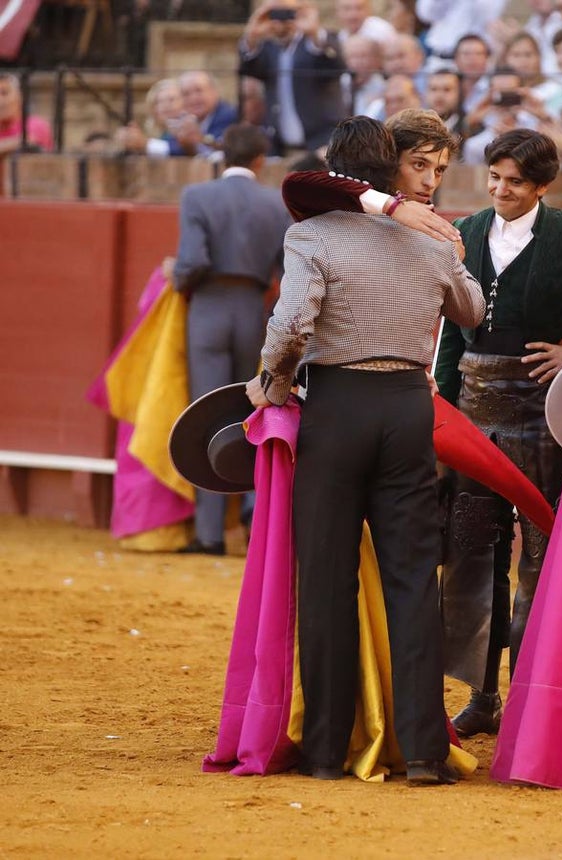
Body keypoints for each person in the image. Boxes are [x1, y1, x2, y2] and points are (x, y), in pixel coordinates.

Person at [247, 116, 485, 786]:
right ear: (390, 170)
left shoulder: (313, 235)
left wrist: (277, 382)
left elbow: (291, 325)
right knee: (414, 579)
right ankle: (425, 754)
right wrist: (453, 255)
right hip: (408, 406)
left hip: (338, 408)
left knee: (327, 581)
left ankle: (325, 750)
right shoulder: (430, 236)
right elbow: (470, 310)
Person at [435, 129, 562, 739]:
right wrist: (444, 395)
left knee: (541, 554)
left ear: (541, 186)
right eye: (495, 177)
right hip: (476, 406)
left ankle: (534, 694)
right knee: (474, 552)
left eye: (514, 181)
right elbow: (453, 328)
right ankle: (483, 697)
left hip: (547, 408)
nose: (501, 190)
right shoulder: (466, 229)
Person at [172, 125, 293, 555]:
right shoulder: (274, 204)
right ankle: (253, 509)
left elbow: (192, 261)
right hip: (253, 314)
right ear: (260, 161)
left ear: (222, 154)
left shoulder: (197, 197)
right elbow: (289, 274)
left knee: (205, 413)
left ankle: (209, 533)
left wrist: (175, 282)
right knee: (255, 406)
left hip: (208, 308)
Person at [239, 0, 347, 154]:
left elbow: (335, 67)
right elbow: (249, 70)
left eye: (288, 12)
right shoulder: (267, 46)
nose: (281, 19)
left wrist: (314, 33)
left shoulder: (321, 40)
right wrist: (252, 35)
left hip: (322, 144)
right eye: (274, 13)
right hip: (279, 146)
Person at [0, 73, 52, 153]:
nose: (1, 101)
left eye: (4, 93)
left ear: (21, 96)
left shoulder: (36, 124)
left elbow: (29, 141)